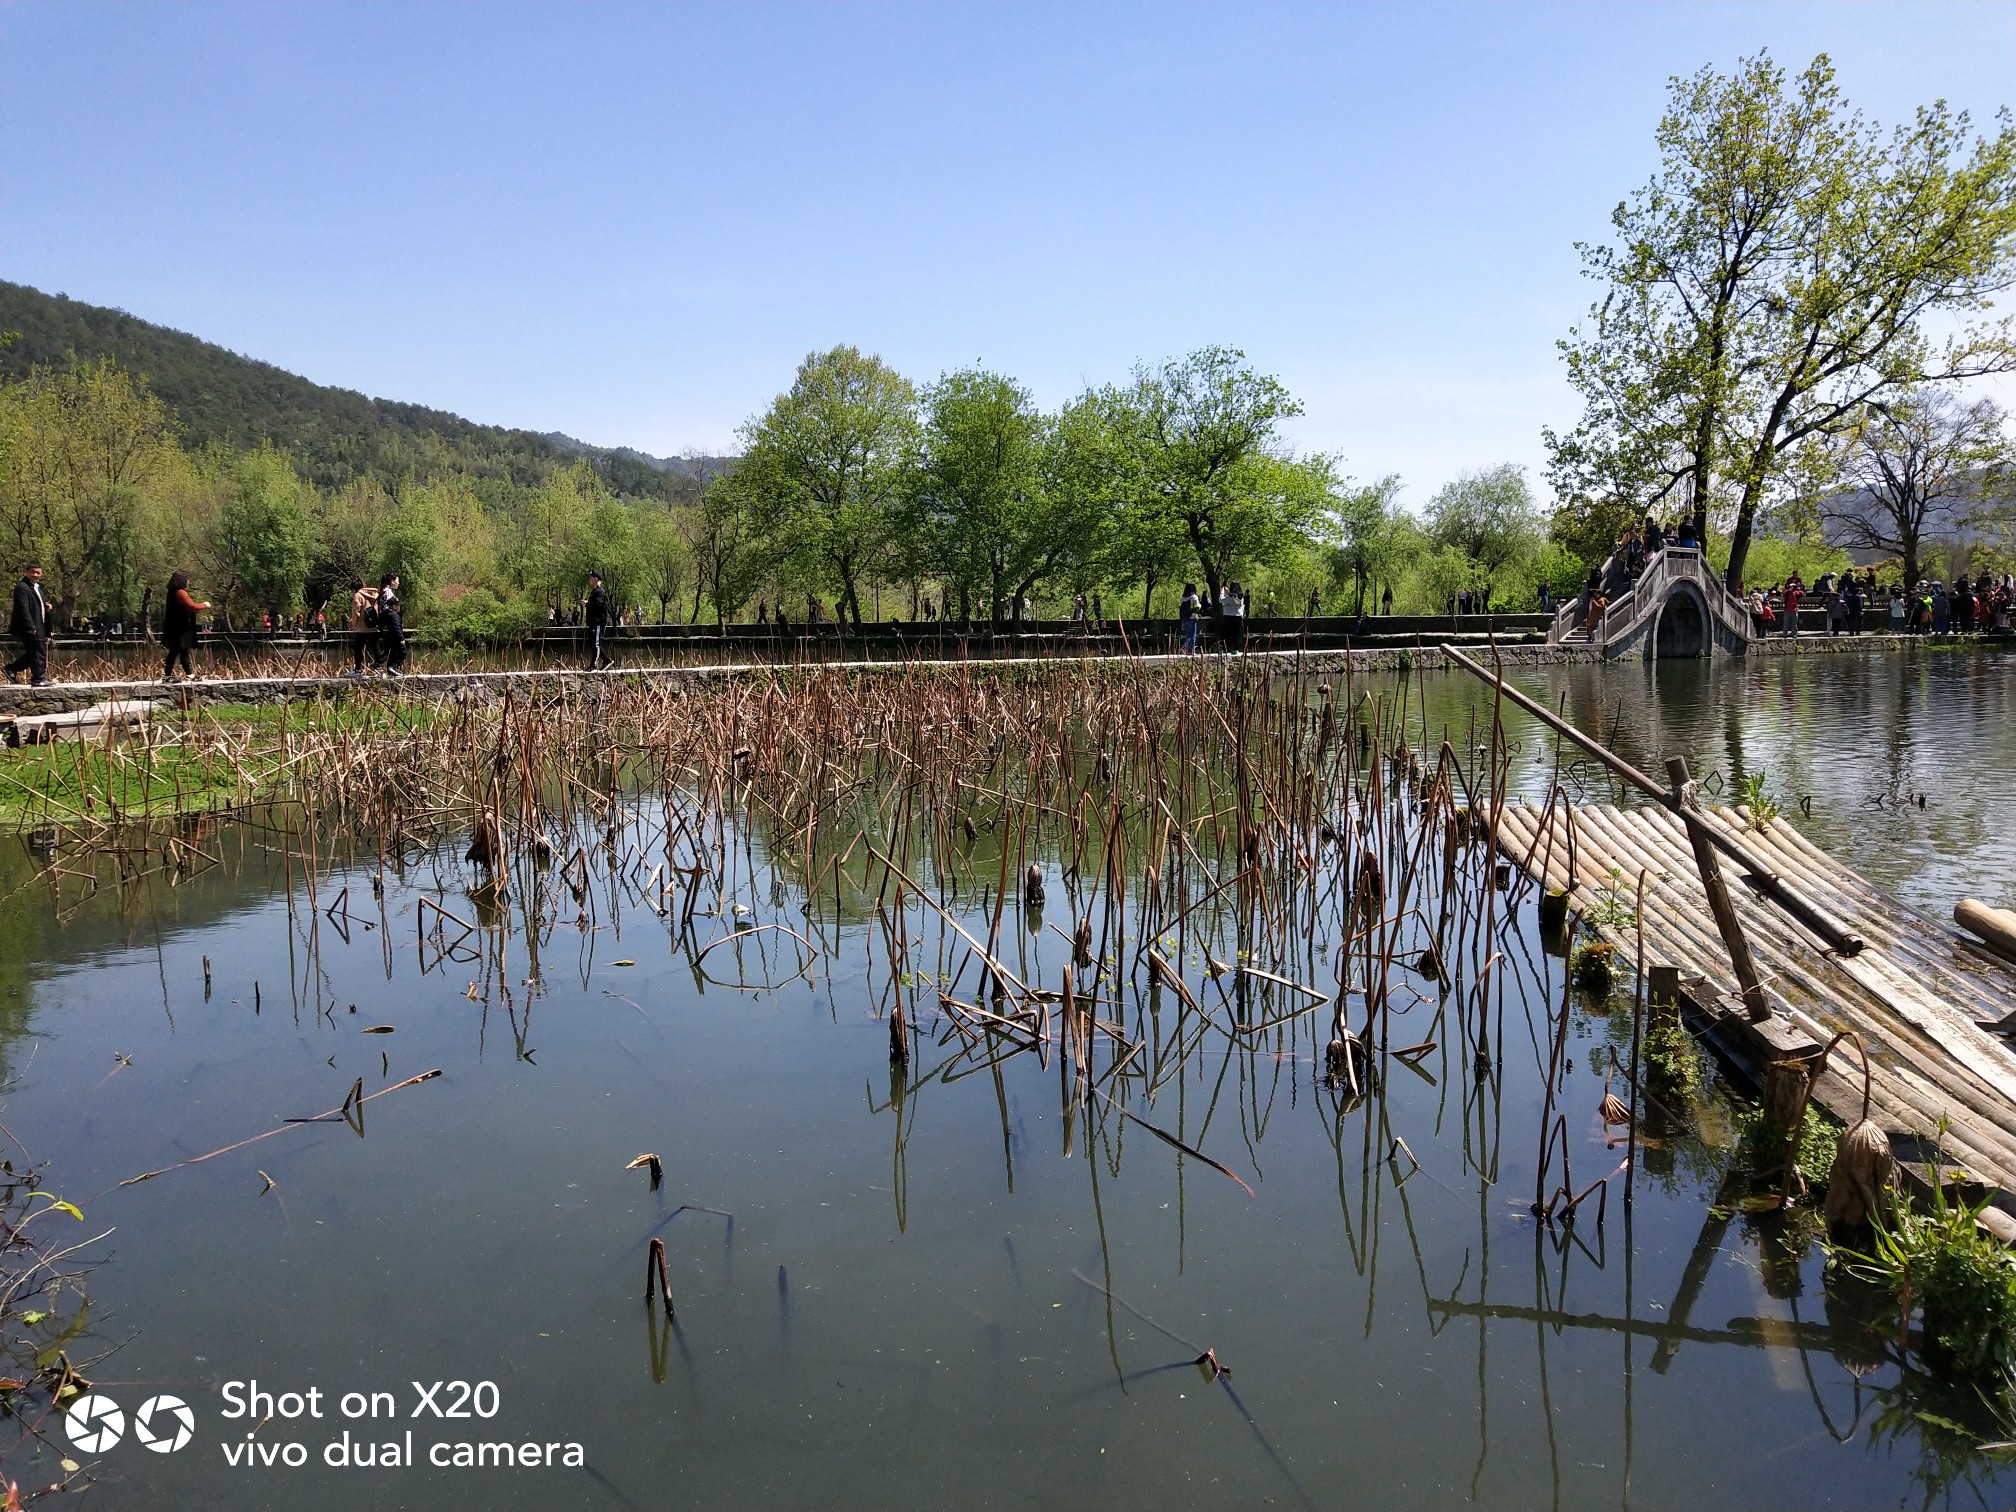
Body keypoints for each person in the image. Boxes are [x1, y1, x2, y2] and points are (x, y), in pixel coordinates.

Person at [160, 571, 210, 682]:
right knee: (181, 650)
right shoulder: (180, 592)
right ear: (181, 581)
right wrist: (205, 605)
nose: (188, 582)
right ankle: (186, 675)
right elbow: (192, 606)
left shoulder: (171, 593)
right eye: (186, 579)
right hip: (181, 627)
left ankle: (171, 675)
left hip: (174, 626)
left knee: (177, 651)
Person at [6, 564, 50, 686]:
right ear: (26, 572)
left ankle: (11, 669)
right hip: (30, 626)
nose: (35, 575)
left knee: (34, 652)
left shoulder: (37, 587)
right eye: (33, 572)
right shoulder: (22, 587)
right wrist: (30, 625)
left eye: (38, 573)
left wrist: (46, 606)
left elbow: (37, 604)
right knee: (37, 652)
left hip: (39, 624)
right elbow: (23, 608)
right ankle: (38, 679)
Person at [376, 574, 406, 675]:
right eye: (397, 581)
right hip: (390, 624)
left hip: (385, 624)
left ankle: (379, 663)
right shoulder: (388, 592)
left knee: (390, 647)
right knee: (397, 646)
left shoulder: (384, 590)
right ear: (392, 581)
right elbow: (388, 609)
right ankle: (391, 667)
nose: (399, 583)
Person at [346, 578, 376, 675]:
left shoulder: (358, 595)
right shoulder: (375, 594)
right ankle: (379, 667)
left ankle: (358, 669)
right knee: (375, 647)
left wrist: (354, 624)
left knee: (358, 648)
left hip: (362, 627)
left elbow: (356, 612)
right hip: (374, 625)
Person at [584, 571, 611, 670]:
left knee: (595, 643)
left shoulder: (600, 592)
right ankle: (606, 659)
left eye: (590, 578)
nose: (589, 580)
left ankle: (593, 665)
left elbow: (598, 606)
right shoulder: (595, 591)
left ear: (596, 579)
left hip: (598, 622)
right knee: (591, 642)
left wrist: (587, 604)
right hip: (593, 622)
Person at [1221, 580, 1247, 654]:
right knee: (1238, 633)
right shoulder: (1240, 596)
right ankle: (1236, 649)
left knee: (1227, 633)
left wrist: (1222, 592)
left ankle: (1224, 648)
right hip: (1237, 616)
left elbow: (1221, 599)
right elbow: (1238, 601)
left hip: (1228, 616)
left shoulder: (1229, 597)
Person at [1179, 582, 1201, 653]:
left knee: (1187, 634)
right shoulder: (1194, 597)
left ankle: (1183, 647)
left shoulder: (1183, 597)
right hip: (1192, 618)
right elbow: (1197, 607)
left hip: (1184, 618)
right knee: (1193, 635)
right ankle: (1191, 650)